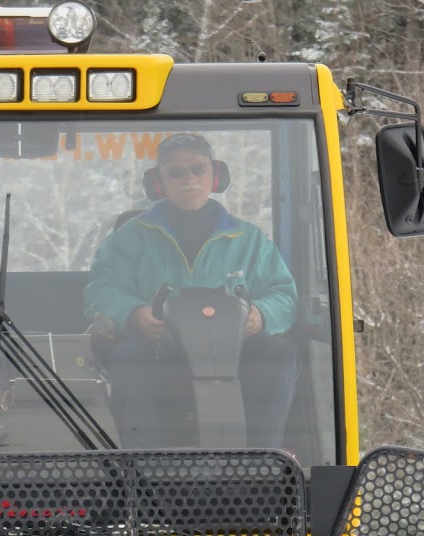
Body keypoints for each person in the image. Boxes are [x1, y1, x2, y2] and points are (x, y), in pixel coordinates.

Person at [85, 132, 298, 449]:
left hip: (235, 354)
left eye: (198, 168)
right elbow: (101, 291)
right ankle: (143, 470)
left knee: (279, 355)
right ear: (159, 182)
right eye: (177, 172)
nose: (190, 179)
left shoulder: (249, 239)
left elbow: (283, 294)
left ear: (215, 175)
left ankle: (262, 461)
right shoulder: (129, 239)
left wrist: (261, 316)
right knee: (127, 359)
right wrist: (135, 315)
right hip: (160, 354)